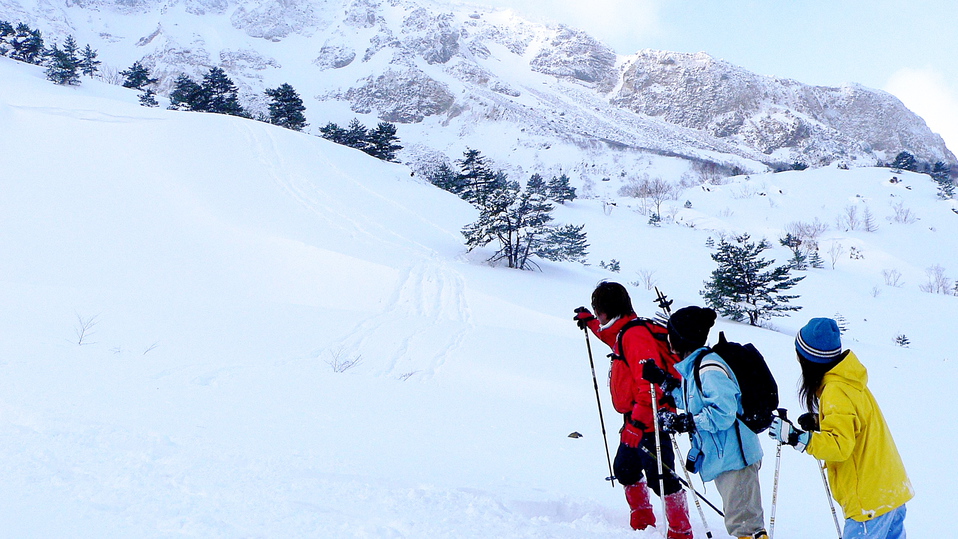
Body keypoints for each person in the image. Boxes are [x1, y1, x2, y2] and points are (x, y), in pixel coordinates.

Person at [769, 317, 913, 539]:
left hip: (869, 504)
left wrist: (797, 438)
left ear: (809, 359)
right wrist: (820, 421)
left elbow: (839, 446)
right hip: (890, 492)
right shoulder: (851, 381)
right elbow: (857, 424)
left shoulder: (836, 390)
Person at [574, 281, 693, 538]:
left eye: (597, 313)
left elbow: (649, 387)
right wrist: (591, 324)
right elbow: (612, 337)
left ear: (607, 310)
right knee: (625, 469)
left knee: (662, 479)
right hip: (636, 419)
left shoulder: (635, 335)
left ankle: (681, 531)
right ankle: (642, 522)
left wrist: (637, 425)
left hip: (651, 419)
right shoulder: (624, 330)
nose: (597, 317)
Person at [642, 306, 768, 539]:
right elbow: (695, 401)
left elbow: (723, 413)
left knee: (746, 527)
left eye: (671, 335)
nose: (668, 341)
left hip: (736, 459)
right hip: (725, 457)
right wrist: (665, 382)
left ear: (679, 339)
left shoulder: (708, 369)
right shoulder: (697, 367)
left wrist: (686, 423)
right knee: (742, 524)